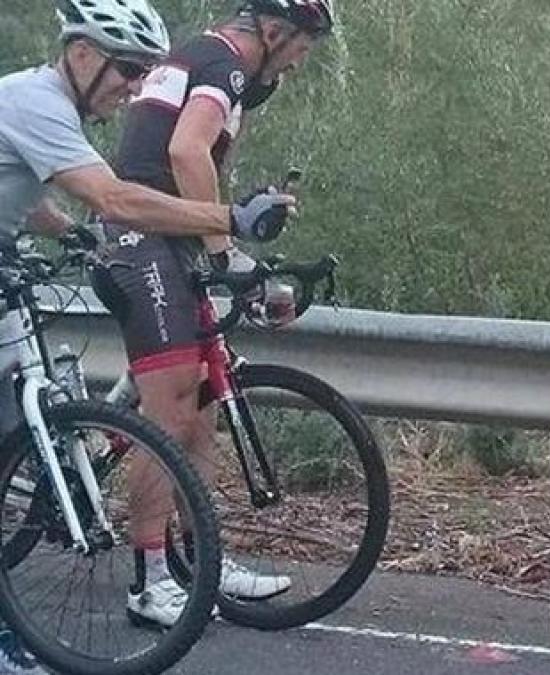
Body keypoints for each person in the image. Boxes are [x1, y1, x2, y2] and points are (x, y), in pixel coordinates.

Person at [0, 0, 294, 669]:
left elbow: (25, 190)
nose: (134, 87)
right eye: (127, 70)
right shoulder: (37, 100)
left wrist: (69, 232)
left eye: (141, 73)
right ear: (81, 53)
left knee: (15, 435)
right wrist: (227, 218)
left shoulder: (48, 105)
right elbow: (117, 198)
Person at [90, 0, 336, 628]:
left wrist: (235, 224)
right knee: (169, 416)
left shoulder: (208, 58)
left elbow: (191, 165)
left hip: (167, 238)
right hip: (142, 239)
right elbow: (186, 152)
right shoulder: (226, 64)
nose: (298, 65)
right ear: (273, 31)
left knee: (200, 412)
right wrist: (225, 252)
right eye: (301, 48)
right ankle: (150, 581)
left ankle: (200, 561)